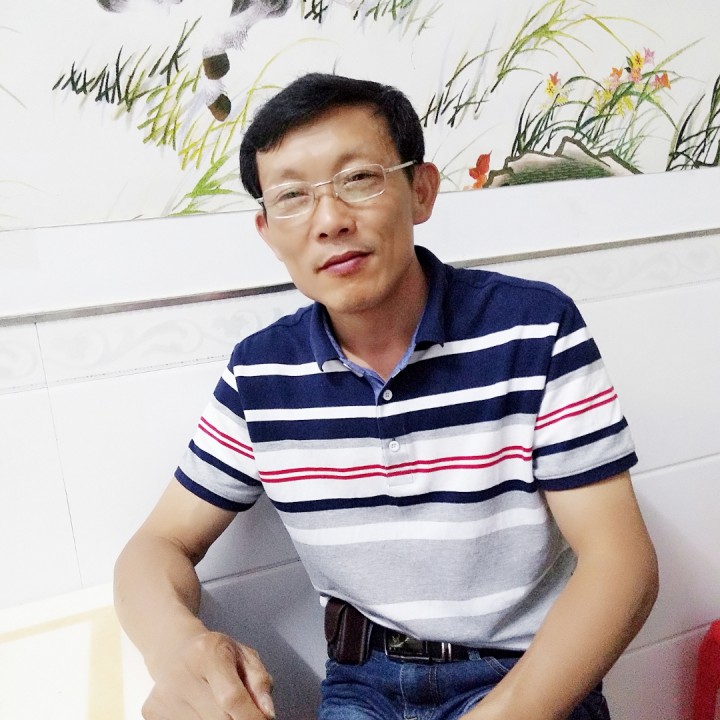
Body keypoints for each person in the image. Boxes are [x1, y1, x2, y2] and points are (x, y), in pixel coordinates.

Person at [113, 72, 659, 720]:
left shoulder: (533, 329)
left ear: (420, 190)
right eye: (292, 196)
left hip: (524, 674)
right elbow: (155, 548)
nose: (329, 221)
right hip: (363, 686)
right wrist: (176, 646)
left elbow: (620, 562)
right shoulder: (260, 375)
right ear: (267, 231)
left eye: (359, 179)